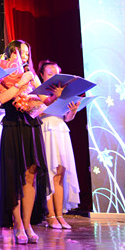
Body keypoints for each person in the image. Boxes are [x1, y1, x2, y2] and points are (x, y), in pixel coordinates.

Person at [0, 40, 59, 244]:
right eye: (19, 52)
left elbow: (44, 101)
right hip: (13, 125)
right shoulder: (1, 73)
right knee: (14, 176)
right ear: (9, 54)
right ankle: (18, 225)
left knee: (31, 175)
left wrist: (55, 96)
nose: (23, 56)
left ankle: (28, 224)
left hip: (31, 125)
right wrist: (20, 84)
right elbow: (1, 99)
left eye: (26, 53)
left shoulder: (31, 76)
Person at [37, 60, 80, 230]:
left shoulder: (64, 93)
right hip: (47, 129)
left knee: (60, 173)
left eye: (56, 74)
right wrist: (57, 97)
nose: (53, 77)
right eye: (49, 74)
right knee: (50, 172)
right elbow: (41, 109)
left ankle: (60, 214)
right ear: (42, 75)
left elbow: (67, 117)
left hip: (61, 129)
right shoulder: (39, 91)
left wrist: (73, 110)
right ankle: (50, 215)